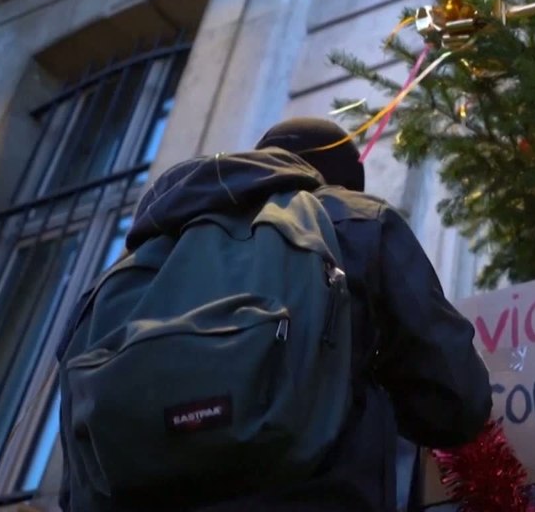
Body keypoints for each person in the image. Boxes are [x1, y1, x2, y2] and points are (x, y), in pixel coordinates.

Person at [58, 117, 492, 511]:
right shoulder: (356, 222)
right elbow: (457, 401)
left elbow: (75, 486)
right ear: (338, 182)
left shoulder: (118, 278)